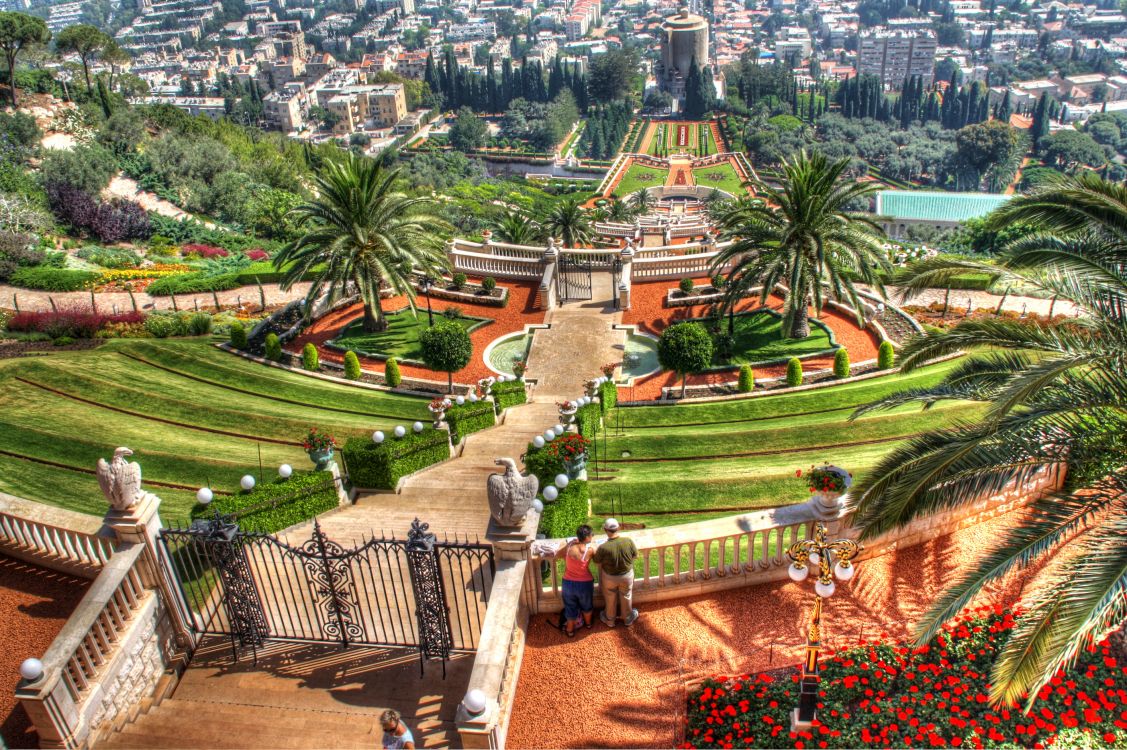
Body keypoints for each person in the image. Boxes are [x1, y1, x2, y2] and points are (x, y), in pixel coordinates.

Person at [593, 518, 639, 627]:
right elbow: (636, 555)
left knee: (610, 597)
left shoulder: (603, 547)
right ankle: (627, 619)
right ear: (618, 528)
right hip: (627, 576)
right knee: (626, 595)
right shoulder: (628, 541)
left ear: (605, 529)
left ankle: (610, 620)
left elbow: (596, 561)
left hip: (609, 578)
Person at [553, 524, 595, 637]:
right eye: (592, 535)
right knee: (587, 605)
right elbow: (597, 559)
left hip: (568, 583)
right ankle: (588, 624)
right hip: (585, 583)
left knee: (570, 606)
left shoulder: (569, 545)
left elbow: (558, 554)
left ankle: (570, 630)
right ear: (587, 537)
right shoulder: (590, 550)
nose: (592, 536)